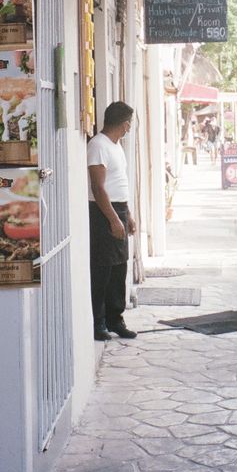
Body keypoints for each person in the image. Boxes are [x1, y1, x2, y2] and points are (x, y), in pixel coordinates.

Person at [87, 101, 137, 342]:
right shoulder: (98, 146)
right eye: (128, 124)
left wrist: (128, 216)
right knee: (102, 269)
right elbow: (98, 187)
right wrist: (113, 219)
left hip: (119, 209)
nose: (129, 128)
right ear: (124, 123)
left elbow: (119, 184)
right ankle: (99, 323)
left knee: (119, 268)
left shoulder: (116, 146)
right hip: (103, 212)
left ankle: (116, 319)